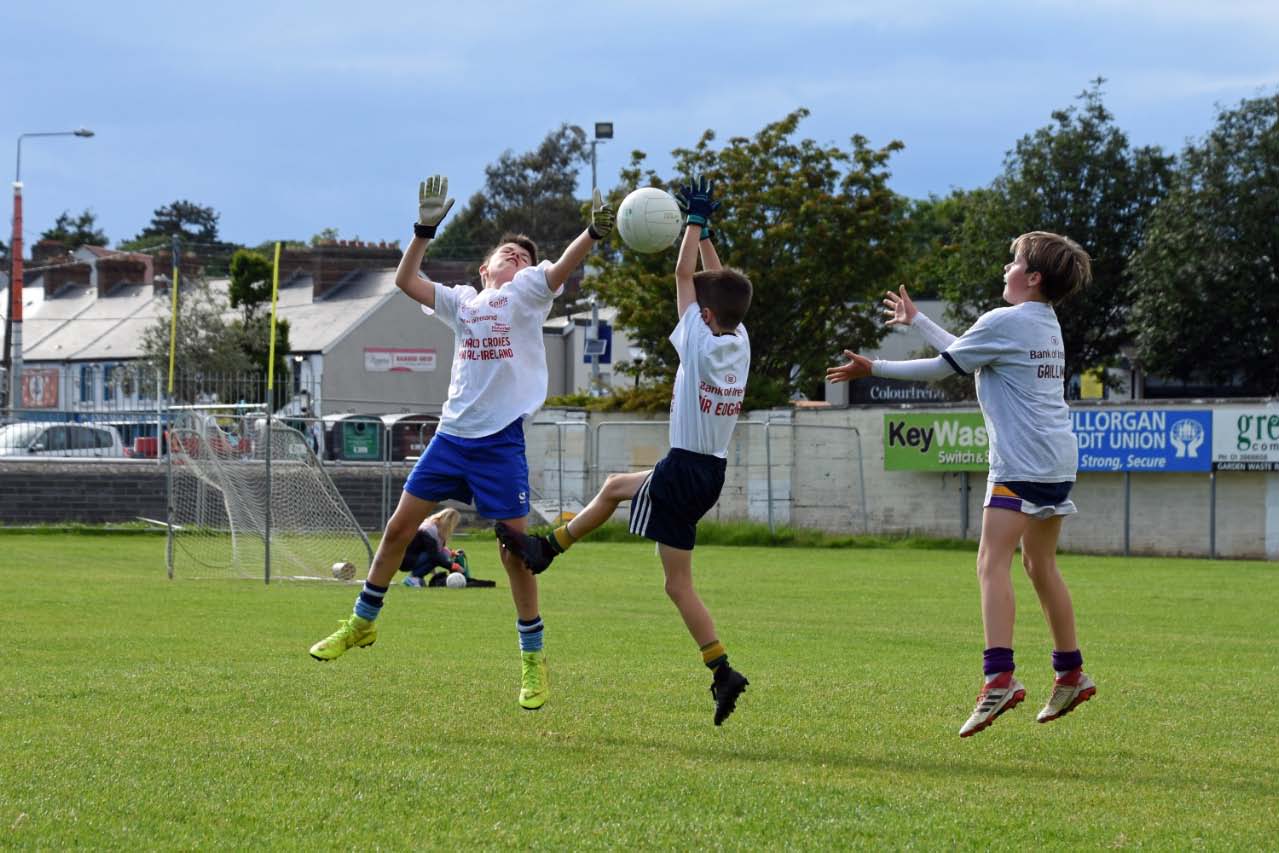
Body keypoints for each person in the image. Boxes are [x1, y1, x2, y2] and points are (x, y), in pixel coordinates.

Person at [310, 174, 615, 714]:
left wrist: (591, 233)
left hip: (499, 445)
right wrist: (424, 228)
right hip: (450, 438)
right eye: (508, 253)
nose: (518, 259)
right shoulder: (465, 303)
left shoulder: (527, 294)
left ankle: (532, 659)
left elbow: (561, 267)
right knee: (399, 531)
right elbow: (406, 280)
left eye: (524, 255)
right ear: (484, 269)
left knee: (514, 553)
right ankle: (361, 623)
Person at [495, 177, 754, 726]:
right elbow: (714, 281)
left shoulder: (700, 341)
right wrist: (705, 231)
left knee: (615, 490)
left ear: (704, 314)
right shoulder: (739, 339)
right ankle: (722, 671)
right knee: (674, 581)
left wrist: (693, 223)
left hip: (685, 468)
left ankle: (546, 552)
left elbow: (686, 275)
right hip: (709, 472)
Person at [826, 231, 1096, 738]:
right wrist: (920, 320)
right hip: (1058, 460)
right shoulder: (1043, 323)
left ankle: (999, 680)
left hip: (1020, 463)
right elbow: (968, 352)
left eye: (1013, 261)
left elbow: (940, 369)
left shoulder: (1007, 321)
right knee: (1039, 564)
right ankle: (1071, 673)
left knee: (990, 562)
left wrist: (872, 367)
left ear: (1033, 277)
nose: (1006, 269)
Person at [399, 507, 463, 587]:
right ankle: (413, 578)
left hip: (411, 557)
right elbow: (434, 554)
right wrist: (453, 566)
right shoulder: (429, 530)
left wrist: (451, 552)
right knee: (437, 558)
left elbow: (437, 548)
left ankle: (417, 577)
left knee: (441, 555)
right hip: (407, 560)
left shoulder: (434, 527)